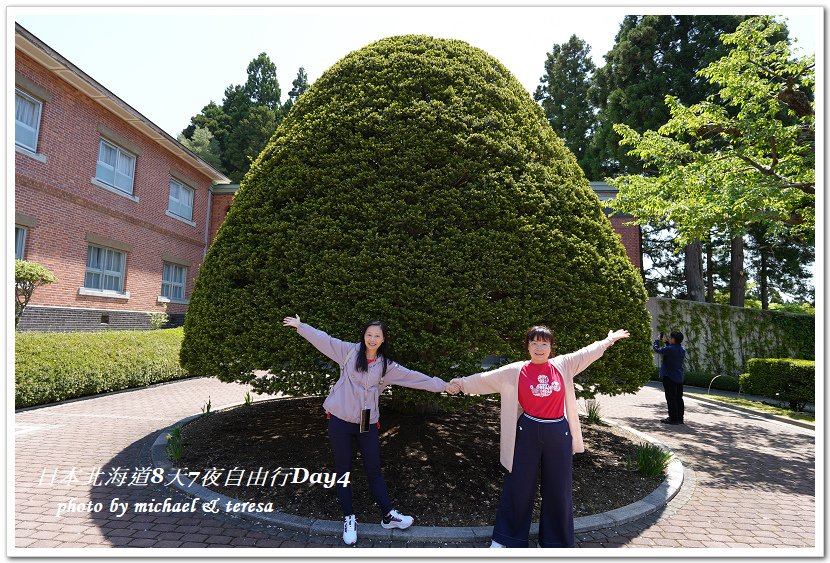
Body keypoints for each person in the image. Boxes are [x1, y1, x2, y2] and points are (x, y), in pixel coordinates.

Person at [282, 314, 458, 545]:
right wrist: (301, 326)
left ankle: (388, 515)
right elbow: (323, 339)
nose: (372, 339)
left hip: (367, 423)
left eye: (377, 336)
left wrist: (443, 385)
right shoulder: (348, 352)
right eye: (369, 335)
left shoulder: (386, 365)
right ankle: (349, 518)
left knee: (374, 470)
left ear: (383, 339)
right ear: (363, 336)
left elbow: (415, 378)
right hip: (340, 421)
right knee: (344, 472)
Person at [448, 326, 629, 548]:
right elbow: (486, 378)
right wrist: (461, 384)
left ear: (551, 347)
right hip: (527, 432)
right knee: (518, 485)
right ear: (527, 346)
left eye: (544, 343)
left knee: (559, 489)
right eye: (534, 343)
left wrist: (608, 341)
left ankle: (556, 542)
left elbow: (586, 352)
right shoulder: (516, 370)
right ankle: (506, 538)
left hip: (558, 434)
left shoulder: (563, 365)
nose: (539, 348)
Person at [654, 330, 686, 425]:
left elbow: (657, 349)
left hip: (669, 377)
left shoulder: (670, 349)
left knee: (670, 398)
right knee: (679, 399)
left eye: (671, 338)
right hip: (679, 377)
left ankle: (673, 419)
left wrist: (656, 341)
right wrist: (667, 342)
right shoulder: (682, 349)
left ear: (673, 339)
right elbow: (671, 350)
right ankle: (679, 418)